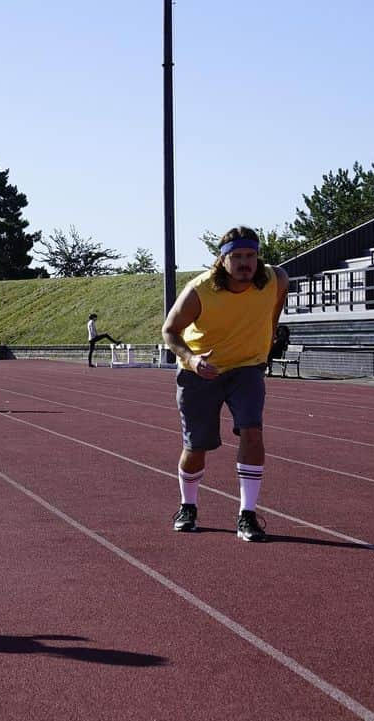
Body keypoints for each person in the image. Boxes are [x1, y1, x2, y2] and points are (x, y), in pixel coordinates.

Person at [161, 226, 289, 542]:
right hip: (202, 371)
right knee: (196, 445)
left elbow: (273, 313)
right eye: (238, 257)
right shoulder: (200, 290)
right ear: (222, 260)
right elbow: (169, 332)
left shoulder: (276, 279)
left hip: (247, 368)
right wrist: (192, 361)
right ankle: (187, 506)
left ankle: (247, 514)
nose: (246, 263)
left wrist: (265, 340)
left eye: (251, 256)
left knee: (253, 432)